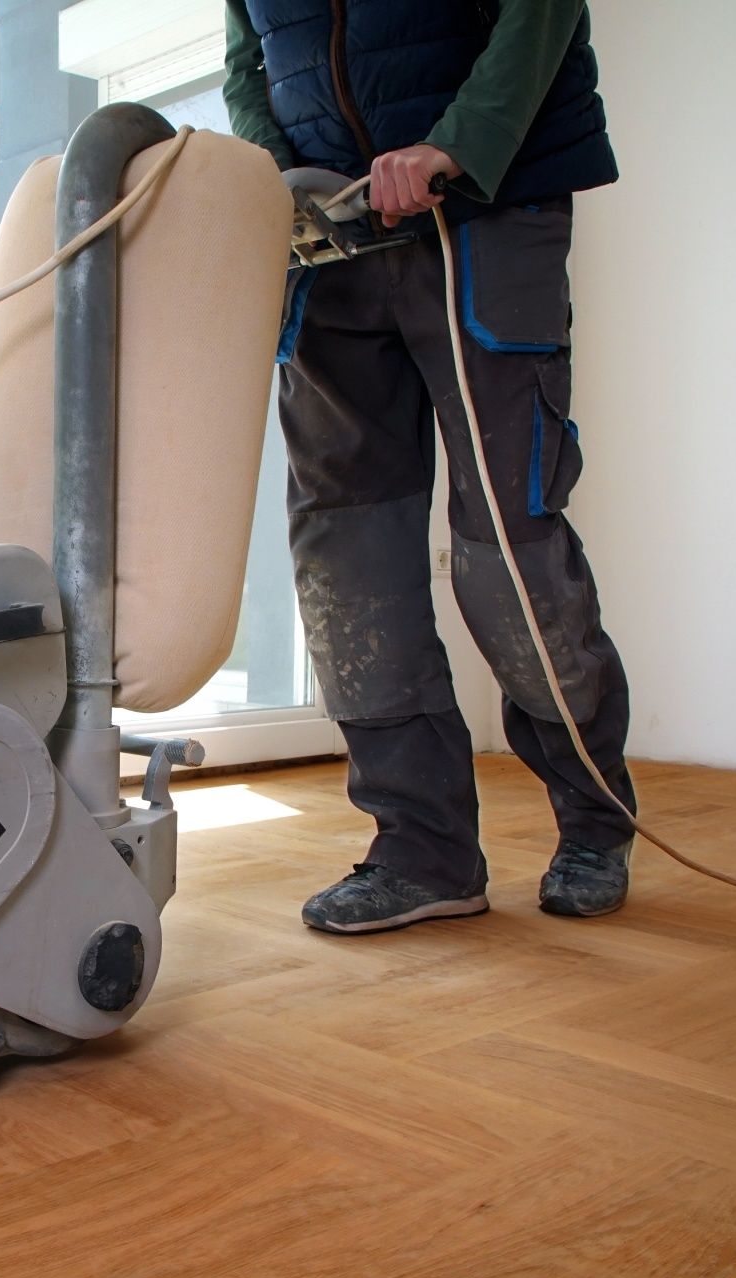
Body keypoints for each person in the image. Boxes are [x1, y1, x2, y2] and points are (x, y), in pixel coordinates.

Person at [223, 0, 639, 933]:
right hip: (327, 236)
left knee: (506, 543)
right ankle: (422, 850)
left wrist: (454, 145)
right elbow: (248, 61)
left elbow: (541, 11)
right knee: (347, 557)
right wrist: (273, 176)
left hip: (479, 211)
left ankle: (593, 818)